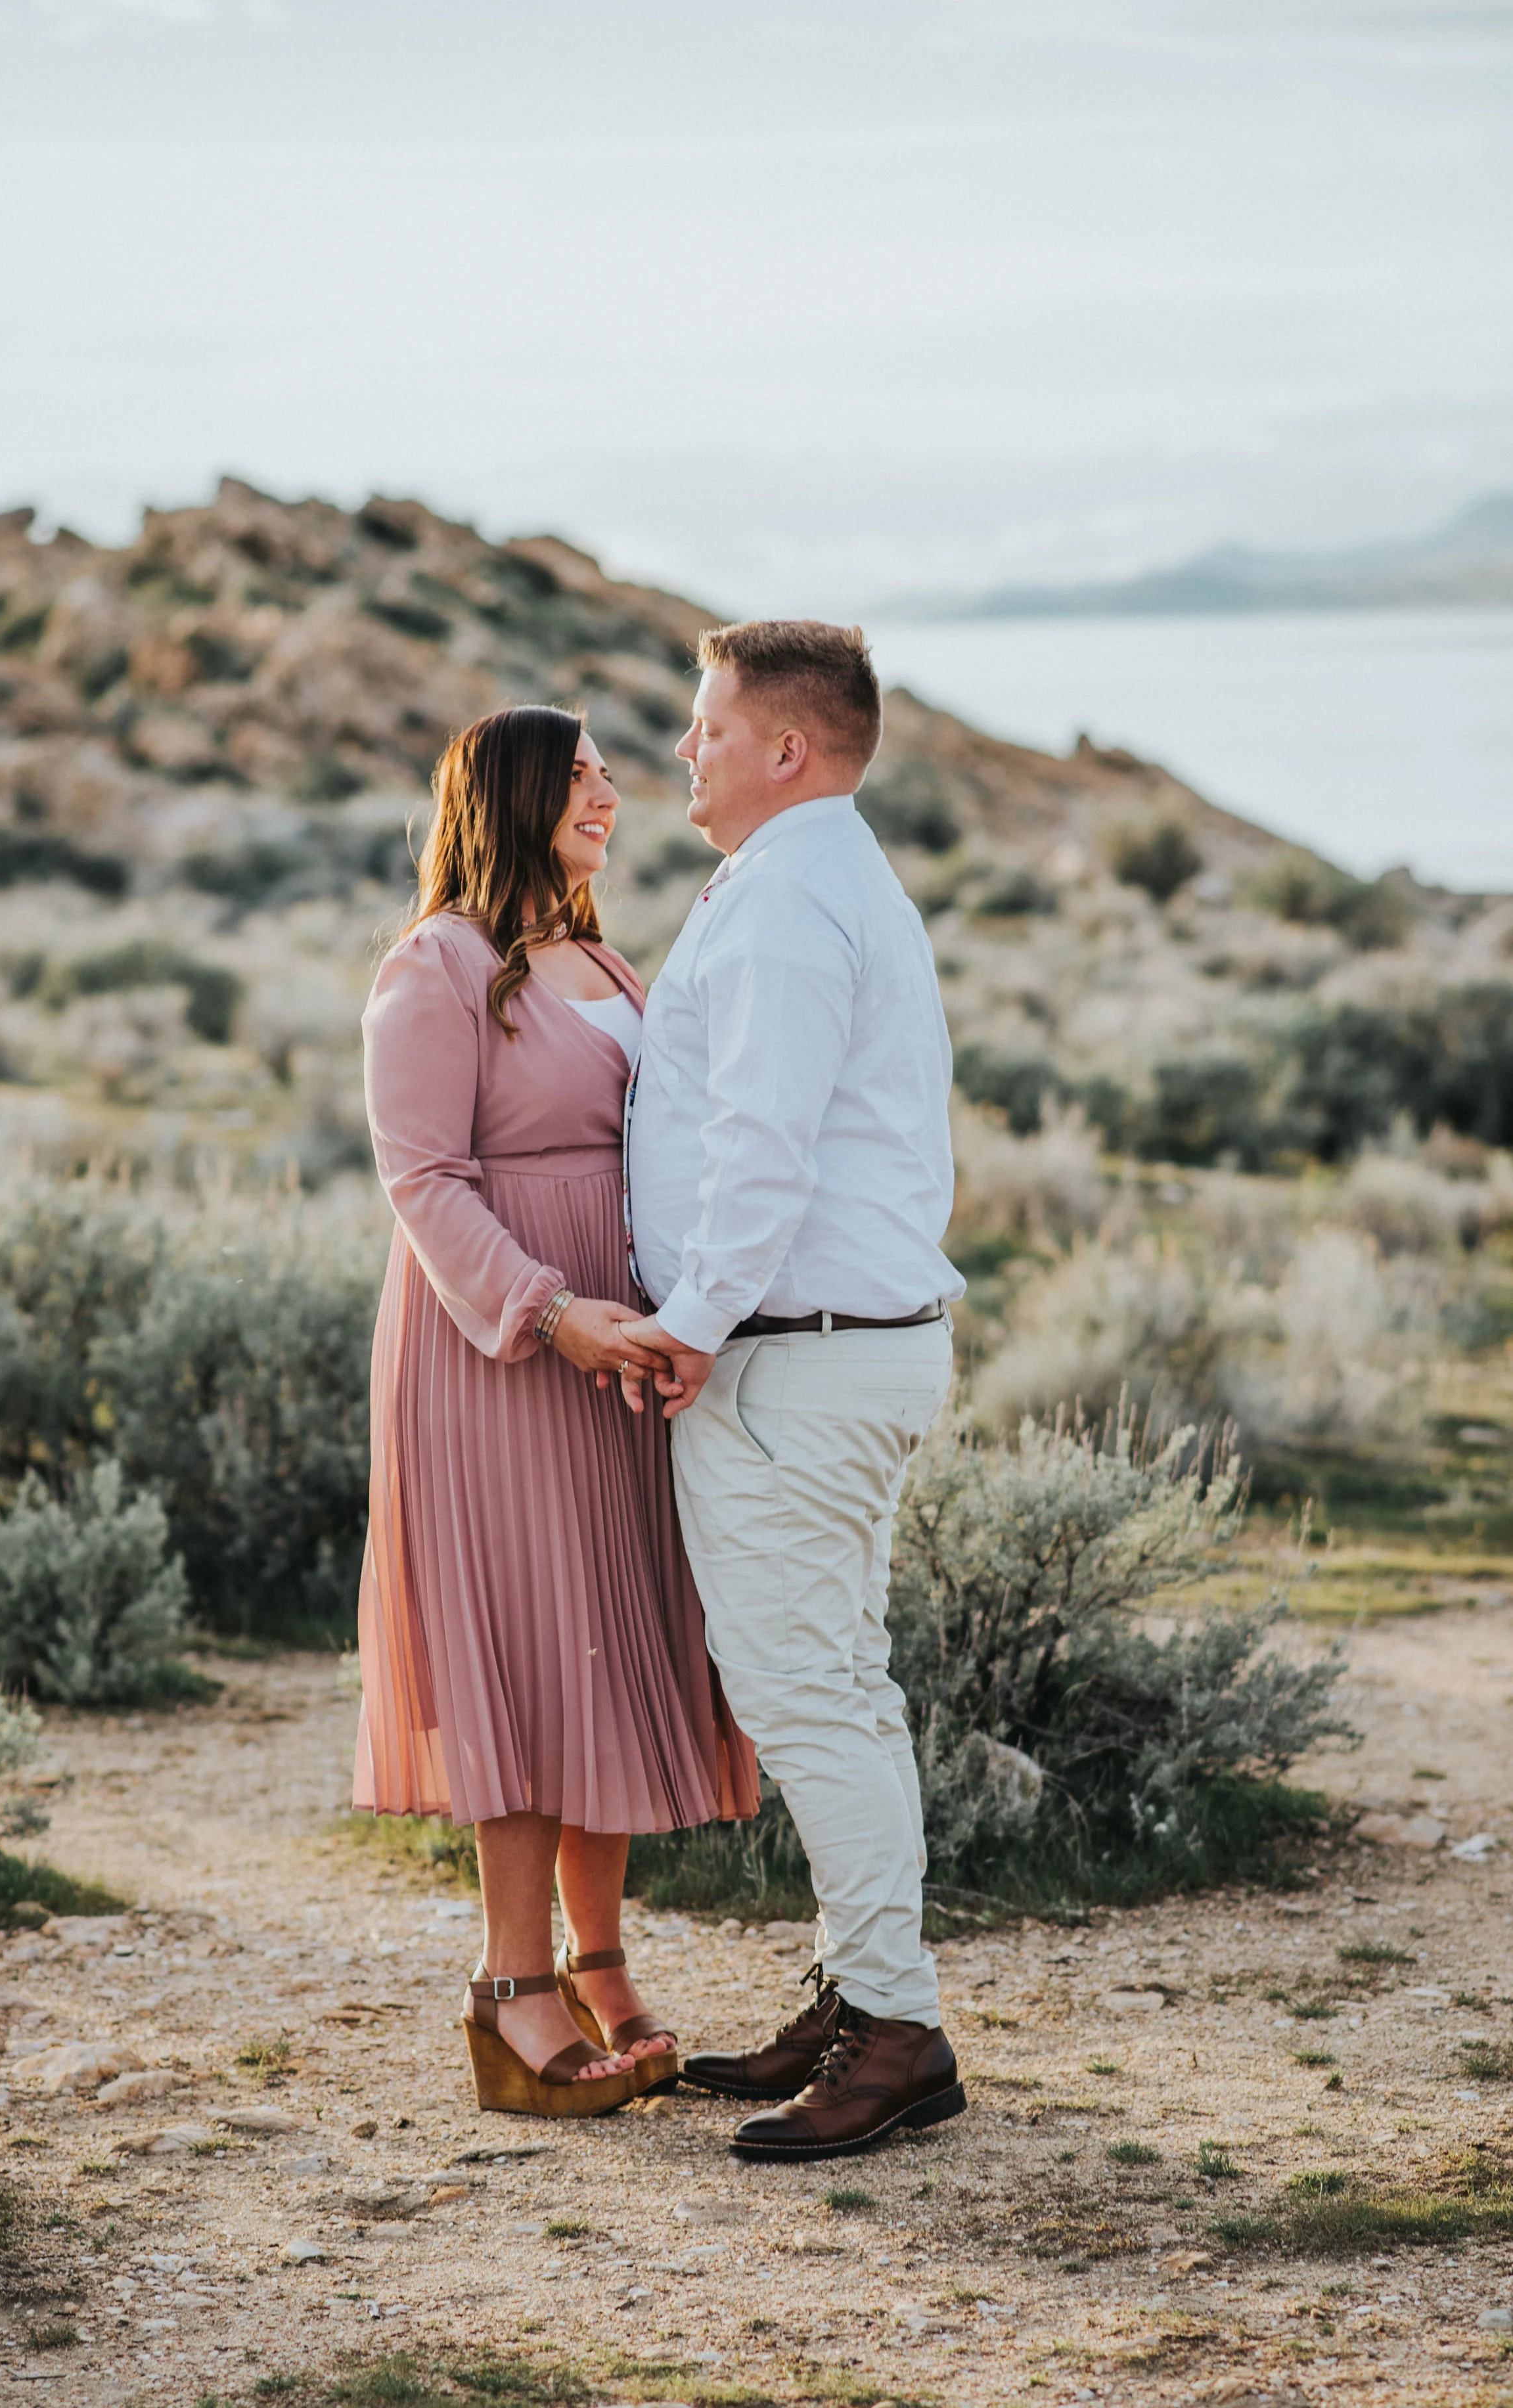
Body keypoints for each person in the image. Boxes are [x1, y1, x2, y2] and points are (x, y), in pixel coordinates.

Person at [353, 704, 758, 2120]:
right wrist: (550, 1310)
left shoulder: (595, 955)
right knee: (527, 1655)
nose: (610, 791)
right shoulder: (437, 964)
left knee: (605, 1640)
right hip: (498, 1354)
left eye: (605, 773)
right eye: (580, 774)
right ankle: (508, 1985)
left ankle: (598, 1958)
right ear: (513, 795)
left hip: (612, 1347)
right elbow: (422, 1181)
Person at [619, 620, 966, 2160]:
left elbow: (761, 1143)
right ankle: (855, 1990)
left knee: (808, 1692)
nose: (683, 751)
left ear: (784, 748)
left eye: (705, 726)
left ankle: (895, 2030)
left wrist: (689, 1320)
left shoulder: (781, 908)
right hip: (835, 1345)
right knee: (838, 1680)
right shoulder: (829, 877)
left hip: (793, 1354)